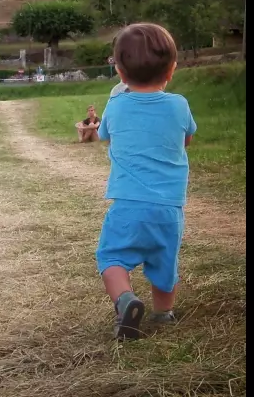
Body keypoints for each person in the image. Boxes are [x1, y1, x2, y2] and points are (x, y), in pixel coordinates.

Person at [95, 23, 197, 340]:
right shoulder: (179, 104)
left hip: (128, 206)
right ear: (172, 70)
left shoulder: (116, 105)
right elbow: (187, 140)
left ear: (120, 74)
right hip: (169, 208)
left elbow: (104, 137)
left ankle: (125, 300)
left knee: (111, 258)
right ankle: (163, 313)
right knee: (165, 265)